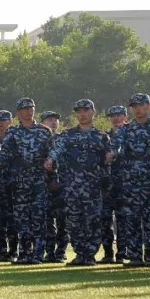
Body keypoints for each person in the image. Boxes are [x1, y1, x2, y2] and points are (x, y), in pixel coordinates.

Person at [46, 99, 110, 266]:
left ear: (93, 112)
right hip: (72, 188)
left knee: (93, 223)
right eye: (79, 111)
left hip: (93, 188)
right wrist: (51, 159)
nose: (82, 114)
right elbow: (57, 149)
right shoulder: (67, 135)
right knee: (73, 223)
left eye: (86, 110)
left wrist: (106, 185)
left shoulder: (101, 137)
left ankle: (89, 255)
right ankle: (80, 253)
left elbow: (107, 162)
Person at [107, 93, 150, 267]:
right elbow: (116, 145)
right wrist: (112, 153)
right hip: (131, 181)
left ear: (149, 106)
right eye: (134, 106)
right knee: (131, 220)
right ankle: (135, 256)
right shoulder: (126, 129)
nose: (138, 109)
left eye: (141, 105)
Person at [0, 97, 53, 265]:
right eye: (25, 109)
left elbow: (52, 155)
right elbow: (4, 151)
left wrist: (52, 176)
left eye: (31, 108)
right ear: (18, 113)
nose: (29, 111)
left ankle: (38, 254)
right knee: (21, 219)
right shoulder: (13, 132)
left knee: (39, 217)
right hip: (20, 181)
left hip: (39, 180)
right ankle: (25, 253)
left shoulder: (44, 131)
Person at [38, 110, 68, 263]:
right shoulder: (39, 140)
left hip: (62, 185)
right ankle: (49, 252)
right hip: (44, 185)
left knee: (63, 221)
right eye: (49, 119)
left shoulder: (64, 138)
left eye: (55, 119)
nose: (53, 122)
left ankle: (61, 252)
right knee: (47, 221)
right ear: (42, 122)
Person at [100, 105, 128, 263]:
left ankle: (122, 253)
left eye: (119, 115)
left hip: (125, 186)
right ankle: (108, 253)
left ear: (125, 116)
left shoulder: (131, 136)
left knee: (123, 221)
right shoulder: (105, 138)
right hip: (107, 186)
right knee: (105, 221)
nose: (116, 119)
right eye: (113, 116)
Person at [0, 110, 17, 261]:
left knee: (13, 221)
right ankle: (2, 252)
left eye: (4, 120)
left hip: (12, 187)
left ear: (10, 121)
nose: (0, 123)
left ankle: (13, 252)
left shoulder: (16, 140)